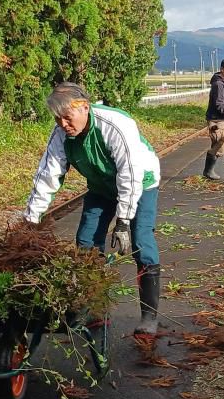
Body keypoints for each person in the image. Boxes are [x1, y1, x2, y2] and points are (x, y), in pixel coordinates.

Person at [25, 83, 162, 335]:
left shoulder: (115, 126)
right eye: (58, 119)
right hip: (101, 187)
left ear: (85, 107)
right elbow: (48, 175)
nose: (63, 124)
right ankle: (96, 309)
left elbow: (129, 175)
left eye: (68, 117)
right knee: (86, 242)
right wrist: (31, 220)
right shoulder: (61, 136)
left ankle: (149, 316)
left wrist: (122, 222)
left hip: (140, 183)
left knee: (141, 241)